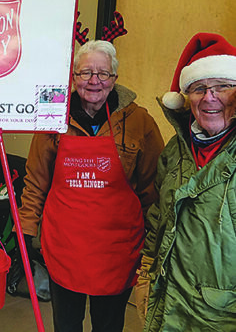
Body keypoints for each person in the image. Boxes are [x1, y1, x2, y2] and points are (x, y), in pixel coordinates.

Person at [18, 40, 164, 332]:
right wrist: (27, 230)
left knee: (108, 325)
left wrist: (154, 242)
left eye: (103, 73)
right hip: (64, 245)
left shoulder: (139, 121)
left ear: (115, 79)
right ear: (74, 78)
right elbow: (35, 179)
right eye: (86, 73)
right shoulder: (53, 117)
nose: (94, 81)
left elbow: (153, 187)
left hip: (117, 249)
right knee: (67, 324)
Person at [139, 32, 236, 331]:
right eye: (198, 88)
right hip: (168, 302)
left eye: (223, 86)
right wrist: (146, 269)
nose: (209, 97)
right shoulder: (175, 149)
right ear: (186, 100)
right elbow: (159, 216)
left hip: (222, 316)